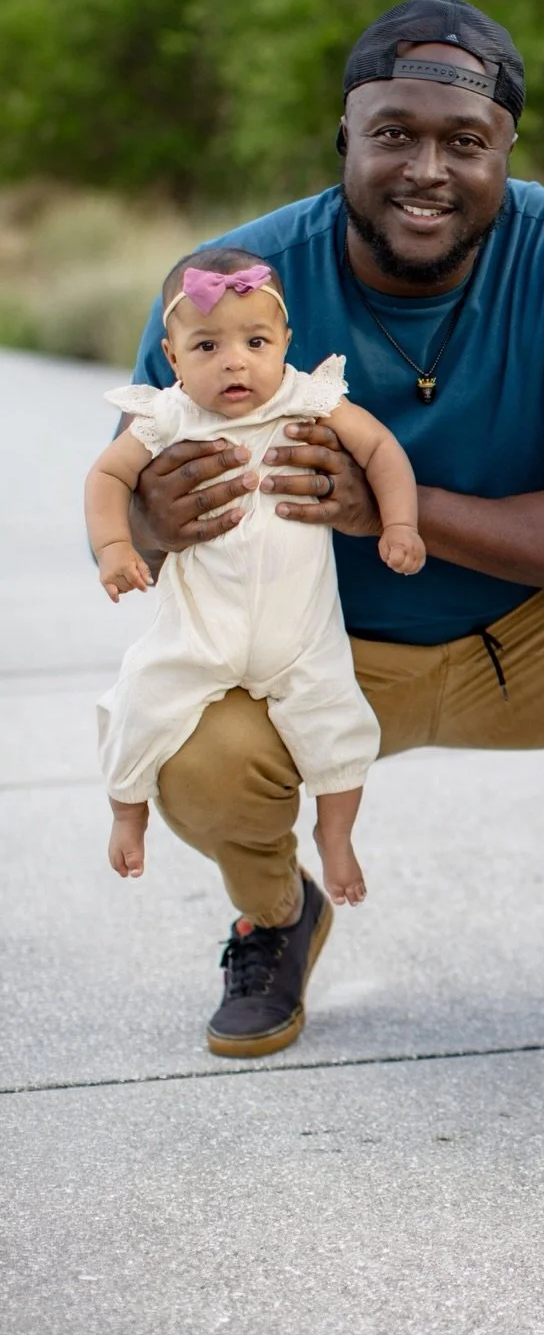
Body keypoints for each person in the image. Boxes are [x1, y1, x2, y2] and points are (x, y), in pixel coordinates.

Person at [123, 0, 544, 1070]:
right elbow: (139, 512)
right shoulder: (234, 283)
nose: (428, 168)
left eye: (465, 141)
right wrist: (153, 519)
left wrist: (393, 507)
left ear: (505, 149)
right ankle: (275, 919)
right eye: (394, 134)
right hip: (314, 655)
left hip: (531, 639)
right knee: (188, 743)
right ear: (345, 139)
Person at [89, 248, 424, 931]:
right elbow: (106, 477)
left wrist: (400, 524)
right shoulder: (169, 417)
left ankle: (335, 838)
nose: (234, 362)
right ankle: (128, 813)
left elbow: (383, 450)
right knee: (140, 703)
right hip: (201, 633)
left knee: (339, 727)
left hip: (298, 634)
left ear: (286, 345)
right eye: (207, 345)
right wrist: (116, 547)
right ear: (173, 357)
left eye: (256, 342)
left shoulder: (311, 400)